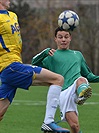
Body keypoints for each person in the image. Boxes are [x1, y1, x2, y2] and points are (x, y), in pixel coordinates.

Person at [0, 0, 70, 133]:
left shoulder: (13, 16)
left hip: (14, 67)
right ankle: (48, 122)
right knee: (57, 79)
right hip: (10, 67)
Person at [32, 27, 99, 133]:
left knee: (81, 80)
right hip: (63, 92)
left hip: (76, 85)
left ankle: (82, 95)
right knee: (74, 126)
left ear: (70, 38)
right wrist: (45, 53)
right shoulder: (51, 55)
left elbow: (88, 75)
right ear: (55, 39)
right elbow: (34, 63)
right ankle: (81, 95)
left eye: (66, 37)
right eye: (60, 37)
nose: (63, 40)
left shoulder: (77, 55)